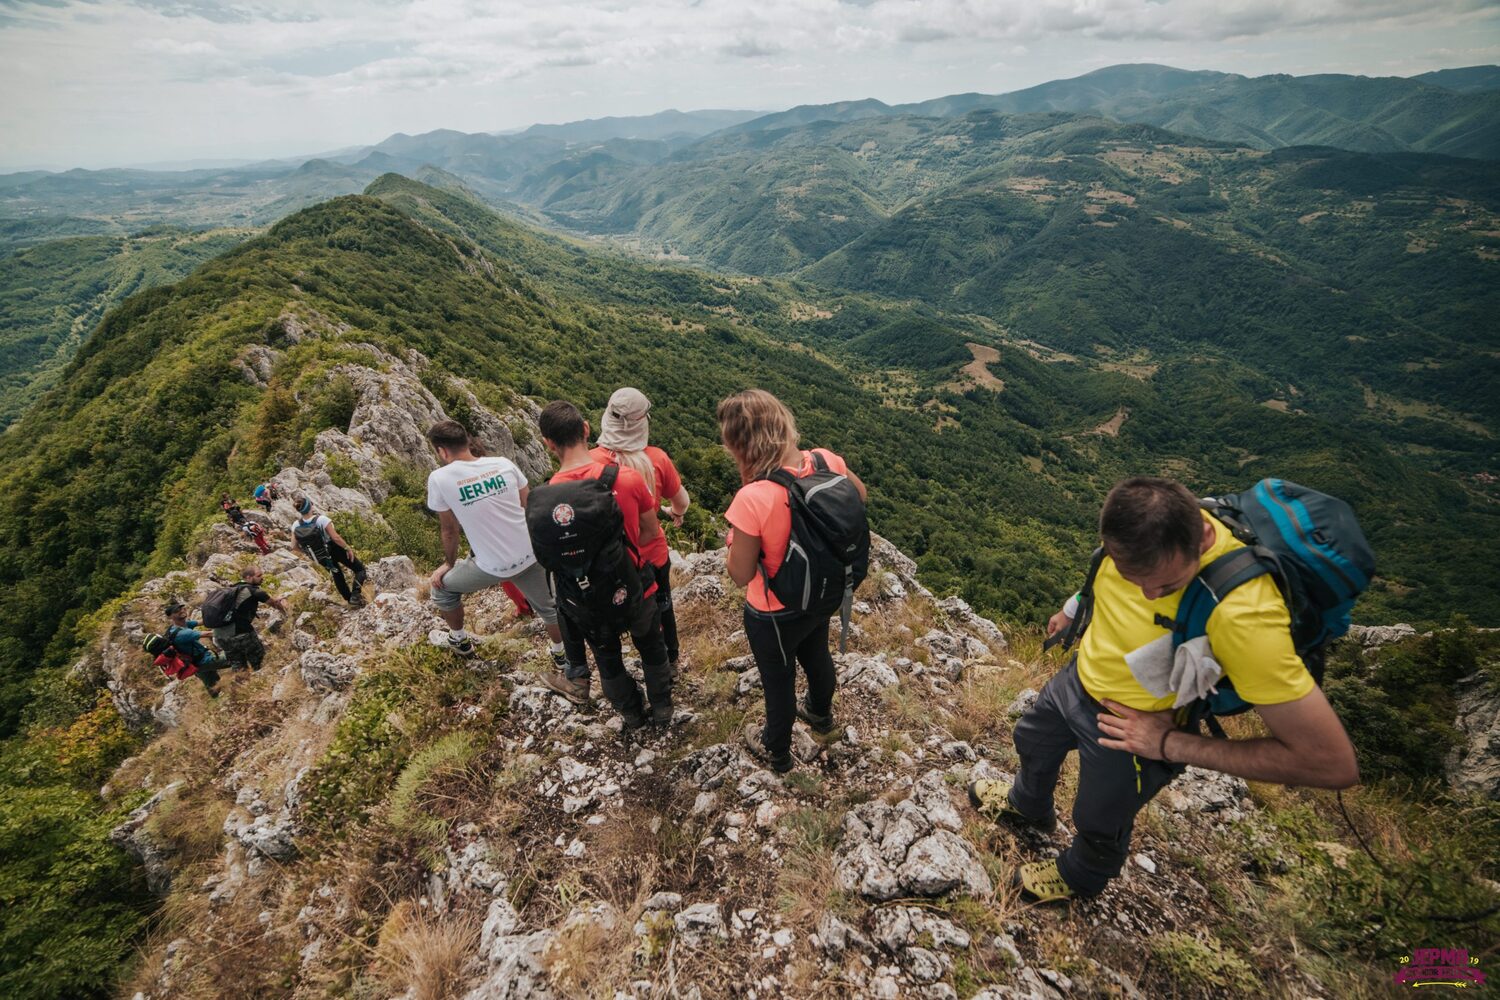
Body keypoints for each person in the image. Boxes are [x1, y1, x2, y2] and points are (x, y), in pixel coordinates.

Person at [969, 476, 1360, 904]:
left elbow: (1330, 764)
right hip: (1081, 675)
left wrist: (1171, 743)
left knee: (1100, 815)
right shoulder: (1145, 533)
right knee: (1031, 739)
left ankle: (1081, 876)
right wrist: (1072, 609)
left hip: (1136, 727)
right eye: (1134, 578)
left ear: (1205, 535)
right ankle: (1028, 805)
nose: (1149, 594)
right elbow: (1105, 572)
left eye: (1166, 586)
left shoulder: (1245, 618)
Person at [718, 389, 867, 773]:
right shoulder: (825, 459)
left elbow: (740, 574)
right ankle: (820, 713)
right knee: (816, 652)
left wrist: (733, 540)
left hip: (773, 611)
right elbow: (860, 495)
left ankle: (776, 750)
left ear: (739, 445)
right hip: (823, 591)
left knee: (778, 676)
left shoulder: (752, 498)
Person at [534, 400, 673, 725]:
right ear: (586, 429)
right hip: (634, 585)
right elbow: (650, 533)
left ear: (547, 443)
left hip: (588, 598)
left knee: (608, 657)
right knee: (652, 646)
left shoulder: (548, 498)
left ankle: (631, 713)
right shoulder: (626, 479)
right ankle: (663, 708)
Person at [424, 420, 566, 663]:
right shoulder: (503, 464)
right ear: (467, 442)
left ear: (442, 451)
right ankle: (562, 655)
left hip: (491, 566)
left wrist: (448, 564)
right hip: (530, 555)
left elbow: (449, 530)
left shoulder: (439, 478)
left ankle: (459, 639)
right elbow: (530, 506)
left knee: (443, 590)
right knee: (550, 610)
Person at [590, 387, 691, 674]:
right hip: (652, 555)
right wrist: (675, 514)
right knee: (663, 607)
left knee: (617, 610)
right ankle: (669, 660)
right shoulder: (657, 459)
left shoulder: (589, 463)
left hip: (612, 560)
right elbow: (681, 501)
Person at [289, 494, 368, 607]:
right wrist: (347, 548)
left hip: (319, 555)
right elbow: (335, 538)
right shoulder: (321, 519)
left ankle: (349, 599)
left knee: (337, 575)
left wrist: (308, 553)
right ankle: (355, 594)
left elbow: (293, 546)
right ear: (310, 507)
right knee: (360, 569)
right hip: (334, 549)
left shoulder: (296, 525)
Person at [208, 566, 287, 672]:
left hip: (220, 636)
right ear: (249, 577)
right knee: (259, 661)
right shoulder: (255, 592)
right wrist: (287, 614)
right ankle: (261, 681)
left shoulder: (234, 588)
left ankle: (243, 684)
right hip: (241, 632)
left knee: (238, 665)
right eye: (259, 576)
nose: (262, 578)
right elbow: (275, 604)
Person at [164, 599, 223, 694]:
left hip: (195, 663)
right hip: (203, 661)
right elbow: (208, 634)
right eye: (176, 611)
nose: (181, 611)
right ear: (171, 616)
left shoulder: (181, 625)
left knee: (213, 685)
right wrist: (232, 630)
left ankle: (216, 700)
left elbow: (201, 622)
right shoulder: (182, 633)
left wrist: (219, 616)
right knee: (232, 657)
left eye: (181, 608)